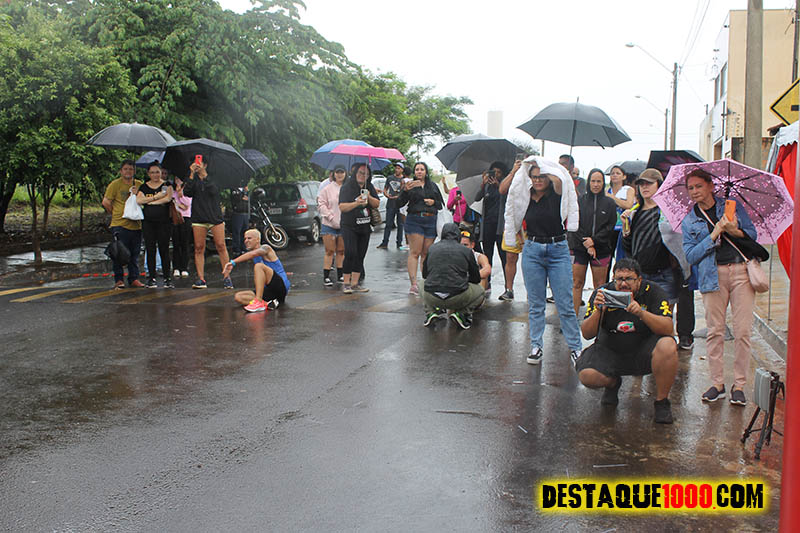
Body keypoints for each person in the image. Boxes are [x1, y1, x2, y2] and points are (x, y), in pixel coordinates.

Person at [682, 168, 761, 406]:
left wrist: (734, 230)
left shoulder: (731, 206)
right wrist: (714, 233)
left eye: (699, 186)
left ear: (710, 186)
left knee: (742, 330)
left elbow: (752, 235)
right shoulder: (690, 220)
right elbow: (691, 255)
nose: (695, 191)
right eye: (690, 188)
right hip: (711, 274)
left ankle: (739, 385)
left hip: (741, 272)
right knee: (715, 330)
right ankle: (717, 383)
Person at [576, 258, 678, 424]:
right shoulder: (603, 293)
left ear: (639, 280)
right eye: (619, 279)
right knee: (587, 375)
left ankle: (662, 402)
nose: (623, 284)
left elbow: (668, 328)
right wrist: (599, 311)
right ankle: (612, 383)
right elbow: (587, 334)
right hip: (610, 349)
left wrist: (641, 313)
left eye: (629, 279)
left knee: (668, 345)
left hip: (643, 350)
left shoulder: (653, 291)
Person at [504, 156, 582, 366]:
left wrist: (547, 167)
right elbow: (512, 213)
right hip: (533, 250)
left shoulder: (557, 194)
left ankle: (575, 347)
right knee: (536, 304)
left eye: (542, 176)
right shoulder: (525, 195)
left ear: (548, 177)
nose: (538, 180)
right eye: (534, 177)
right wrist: (520, 238)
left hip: (558, 249)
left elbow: (563, 185)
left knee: (565, 303)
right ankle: (536, 346)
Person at [620, 169, 682, 311]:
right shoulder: (634, 213)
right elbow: (628, 247)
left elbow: (677, 243)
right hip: (640, 275)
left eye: (649, 183)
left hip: (664, 273)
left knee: (663, 317)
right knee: (640, 317)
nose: (644, 187)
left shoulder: (668, 212)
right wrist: (625, 227)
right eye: (641, 184)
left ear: (659, 185)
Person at [568, 168, 617, 315]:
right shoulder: (580, 201)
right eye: (593, 181)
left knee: (600, 286)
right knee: (576, 283)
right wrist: (587, 243)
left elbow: (610, 226)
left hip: (601, 248)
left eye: (599, 181)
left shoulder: (609, 203)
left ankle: (598, 319)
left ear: (603, 183)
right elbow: (574, 224)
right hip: (579, 247)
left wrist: (594, 241)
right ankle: (572, 318)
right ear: (588, 182)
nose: (596, 184)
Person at [183, 156, 234, 290]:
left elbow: (214, 190)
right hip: (199, 217)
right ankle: (201, 278)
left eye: (199, 162)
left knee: (221, 245)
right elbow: (187, 192)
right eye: (195, 162)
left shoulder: (214, 177)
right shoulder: (192, 179)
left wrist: (204, 176)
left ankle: (227, 277)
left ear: (205, 165)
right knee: (199, 247)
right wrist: (191, 174)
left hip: (215, 217)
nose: (197, 164)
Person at [421, 223, 485, 329]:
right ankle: (462, 314)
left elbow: (425, 274)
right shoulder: (466, 251)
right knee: (481, 291)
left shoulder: (432, 248)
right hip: (457, 297)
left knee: (421, 283)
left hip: (433, 296)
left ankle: (430, 312)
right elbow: (476, 279)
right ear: (458, 235)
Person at [397, 162, 444, 296]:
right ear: (414, 172)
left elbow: (441, 205)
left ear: (426, 172)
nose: (419, 171)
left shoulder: (433, 186)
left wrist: (433, 202)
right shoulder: (410, 185)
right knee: (415, 252)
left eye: (422, 169)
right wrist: (405, 191)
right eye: (417, 169)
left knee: (426, 253)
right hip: (415, 220)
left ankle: (425, 282)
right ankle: (414, 284)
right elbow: (399, 203)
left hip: (431, 220)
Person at [102, 160, 145, 289]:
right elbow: (106, 202)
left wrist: (137, 194)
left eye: (131, 169)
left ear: (134, 171)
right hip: (120, 224)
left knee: (134, 253)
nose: (128, 171)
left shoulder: (139, 184)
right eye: (125, 169)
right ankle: (119, 279)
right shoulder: (115, 185)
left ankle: (134, 278)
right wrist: (115, 213)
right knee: (119, 253)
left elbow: (144, 201)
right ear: (121, 171)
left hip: (136, 224)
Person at [225, 229, 290, 312]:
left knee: (259, 266)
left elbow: (253, 254)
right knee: (238, 297)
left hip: (280, 287)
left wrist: (232, 262)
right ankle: (267, 304)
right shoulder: (253, 254)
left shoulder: (266, 248)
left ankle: (258, 301)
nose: (246, 241)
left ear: (258, 239)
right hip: (269, 292)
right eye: (245, 239)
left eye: (249, 238)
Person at [338, 163, 379, 293]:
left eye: (366, 174)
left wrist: (368, 196)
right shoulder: (347, 187)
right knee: (350, 253)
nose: (363, 175)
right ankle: (346, 283)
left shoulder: (369, 186)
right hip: (349, 226)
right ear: (355, 173)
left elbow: (376, 204)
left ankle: (355, 283)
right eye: (361, 172)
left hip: (365, 225)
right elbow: (342, 207)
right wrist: (356, 203)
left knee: (361, 255)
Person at [136, 162, 174, 288]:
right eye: (152, 172)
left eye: (157, 172)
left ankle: (167, 277)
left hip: (164, 222)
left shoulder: (166, 185)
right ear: (148, 174)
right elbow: (139, 200)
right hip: (148, 222)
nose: (155, 175)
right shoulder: (144, 187)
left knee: (164, 249)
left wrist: (151, 202)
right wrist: (154, 198)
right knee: (150, 248)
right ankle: (151, 277)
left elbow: (167, 198)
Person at [474, 161, 509, 292]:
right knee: (487, 254)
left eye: (499, 172)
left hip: (500, 226)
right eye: (494, 172)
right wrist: (483, 184)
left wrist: (499, 185)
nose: (496, 174)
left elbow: (508, 197)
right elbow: (477, 198)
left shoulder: (505, 185)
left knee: (503, 255)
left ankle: (508, 285)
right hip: (488, 224)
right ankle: (486, 282)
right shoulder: (487, 186)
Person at [497, 161, 524, 301]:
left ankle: (533, 291)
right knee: (510, 258)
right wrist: (513, 171)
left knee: (533, 260)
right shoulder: (512, 176)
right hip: (512, 224)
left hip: (530, 225)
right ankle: (509, 289)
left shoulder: (535, 177)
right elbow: (502, 190)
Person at [317, 165, 347, 286]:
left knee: (341, 251)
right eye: (337, 172)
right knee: (329, 251)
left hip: (344, 224)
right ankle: (326, 276)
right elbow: (321, 205)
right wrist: (330, 217)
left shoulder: (348, 188)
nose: (339, 175)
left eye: (342, 172)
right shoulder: (327, 189)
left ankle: (340, 275)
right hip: (329, 224)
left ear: (345, 173)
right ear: (333, 174)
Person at [606, 165, 635, 267]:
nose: (615, 175)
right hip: (609, 228)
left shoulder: (628, 189)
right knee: (607, 258)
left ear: (624, 176)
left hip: (623, 227)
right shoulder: (607, 190)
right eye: (612, 173)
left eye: (618, 173)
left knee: (622, 256)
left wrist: (612, 198)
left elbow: (628, 205)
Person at [377, 162, 406, 249]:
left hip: (400, 205)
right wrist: (386, 195)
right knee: (388, 224)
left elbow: (405, 192)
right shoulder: (390, 178)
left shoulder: (404, 180)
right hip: (390, 204)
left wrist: (399, 196)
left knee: (400, 225)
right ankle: (384, 242)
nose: (397, 170)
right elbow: (385, 189)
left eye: (399, 168)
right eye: (396, 168)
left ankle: (399, 243)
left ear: (402, 170)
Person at [171, 174, 192, 278]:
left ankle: (184, 267)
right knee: (176, 243)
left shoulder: (187, 190)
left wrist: (180, 194)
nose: (178, 180)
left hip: (185, 218)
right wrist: (179, 204)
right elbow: (171, 203)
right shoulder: (172, 191)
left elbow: (187, 204)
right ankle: (176, 267)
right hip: (175, 218)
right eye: (176, 178)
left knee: (185, 243)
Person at [230, 185, 250, 257]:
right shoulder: (234, 189)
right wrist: (243, 195)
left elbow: (248, 200)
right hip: (238, 213)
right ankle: (236, 249)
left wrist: (246, 193)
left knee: (245, 231)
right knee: (237, 232)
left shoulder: (246, 191)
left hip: (245, 213)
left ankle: (244, 248)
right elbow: (236, 198)